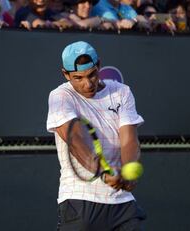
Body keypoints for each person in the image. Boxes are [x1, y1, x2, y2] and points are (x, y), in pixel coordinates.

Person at [47, 41, 146, 230]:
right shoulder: (60, 97)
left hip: (122, 205)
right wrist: (102, 172)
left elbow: (129, 139)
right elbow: (75, 140)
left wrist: (129, 168)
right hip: (80, 201)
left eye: (92, 74)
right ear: (65, 74)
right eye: (78, 78)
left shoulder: (121, 92)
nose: (87, 83)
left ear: (99, 65)